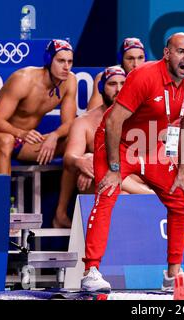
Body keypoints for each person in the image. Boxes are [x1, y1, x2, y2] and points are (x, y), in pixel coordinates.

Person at [81, 32, 184, 293]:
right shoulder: (144, 76)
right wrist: (115, 169)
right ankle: (91, 271)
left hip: (152, 149)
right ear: (167, 53)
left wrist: (181, 174)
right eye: (181, 51)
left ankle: (173, 276)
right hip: (118, 143)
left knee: (180, 198)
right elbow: (113, 121)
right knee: (106, 194)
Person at [53, 66, 154, 228]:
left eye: (123, 83)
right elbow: (70, 158)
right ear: (101, 88)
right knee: (111, 183)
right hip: (99, 183)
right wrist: (83, 162)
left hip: (129, 179)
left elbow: (148, 160)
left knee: (122, 192)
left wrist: (95, 161)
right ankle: (150, 196)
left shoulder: (141, 118)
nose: (119, 89)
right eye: (112, 84)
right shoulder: (84, 122)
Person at [0, 39, 77, 175]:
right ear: (49, 60)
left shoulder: (70, 81)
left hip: (25, 144)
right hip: (0, 137)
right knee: (7, 141)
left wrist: (54, 136)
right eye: (61, 61)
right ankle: (1, 195)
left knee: (74, 141)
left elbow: (69, 123)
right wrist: (21, 133)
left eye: (70, 62)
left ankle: (69, 196)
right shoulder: (24, 79)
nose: (66, 67)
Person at [86, 37, 146, 111]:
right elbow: (93, 115)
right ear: (121, 59)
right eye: (130, 59)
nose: (136, 64)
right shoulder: (106, 77)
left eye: (140, 58)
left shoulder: (152, 78)